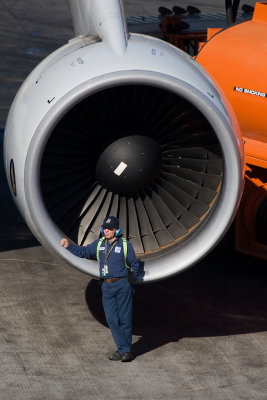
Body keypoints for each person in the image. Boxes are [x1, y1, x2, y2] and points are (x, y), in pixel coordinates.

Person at [60, 216, 139, 362]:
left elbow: (134, 264)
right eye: (105, 228)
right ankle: (124, 349)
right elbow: (82, 252)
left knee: (124, 319)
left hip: (122, 285)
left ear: (117, 230)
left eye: (110, 229)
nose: (107, 231)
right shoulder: (99, 244)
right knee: (111, 318)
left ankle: (125, 351)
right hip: (106, 286)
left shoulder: (125, 245)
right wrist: (68, 246)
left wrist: (131, 278)